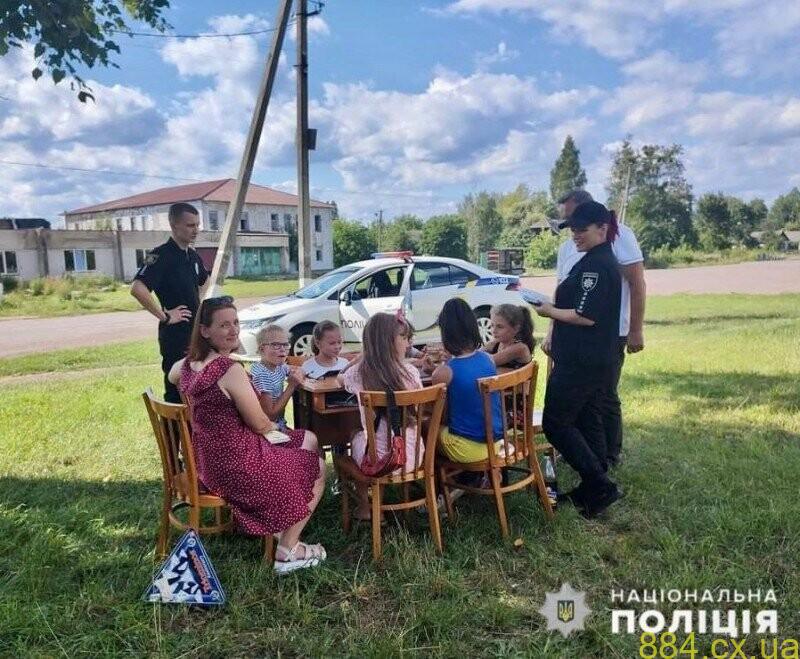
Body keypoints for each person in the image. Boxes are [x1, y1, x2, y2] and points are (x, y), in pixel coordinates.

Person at [167, 297, 326, 573]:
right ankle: (288, 550)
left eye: (236, 323)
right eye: (224, 325)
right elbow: (260, 424)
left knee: (303, 440)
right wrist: (275, 430)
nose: (233, 330)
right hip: (237, 464)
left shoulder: (189, 365)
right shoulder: (230, 371)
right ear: (205, 331)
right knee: (317, 466)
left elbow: (172, 375)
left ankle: (282, 517)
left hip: (210, 461)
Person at [544, 189, 646, 467]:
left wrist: (636, 330)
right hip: (571, 340)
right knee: (585, 406)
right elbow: (562, 290)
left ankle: (608, 457)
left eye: (576, 221)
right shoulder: (571, 247)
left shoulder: (619, 238)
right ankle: (590, 459)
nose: (571, 228)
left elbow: (636, 283)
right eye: (568, 223)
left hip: (605, 335)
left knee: (603, 396)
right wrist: (552, 331)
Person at [534, 200, 623, 518]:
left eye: (581, 230)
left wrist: (548, 310)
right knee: (586, 418)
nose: (575, 235)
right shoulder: (594, 260)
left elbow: (586, 316)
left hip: (582, 360)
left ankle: (600, 484)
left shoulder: (598, 266)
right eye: (572, 230)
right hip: (591, 358)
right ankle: (593, 486)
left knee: (555, 423)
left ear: (602, 228)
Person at [337, 312, 423, 520]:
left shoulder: (357, 373)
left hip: (379, 461)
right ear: (388, 343)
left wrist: (360, 357)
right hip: (413, 457)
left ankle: (366, 507)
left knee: (354, 437)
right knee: (367, 436)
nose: (407, 343)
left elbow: (340, 379)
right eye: (403, 338)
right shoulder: (410, 372)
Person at [131, 203, 209, 403]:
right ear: (173, 225)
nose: (196, 230)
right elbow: (138, 288)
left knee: (197, 389)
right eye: (190, 225)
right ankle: (175, 434)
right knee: (177, 389)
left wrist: (199, 307)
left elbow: (205, 282)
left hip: (195, 333)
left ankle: (193, 433)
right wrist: (165, 316)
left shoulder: (192, 255)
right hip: (175, 336)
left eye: (197, 225)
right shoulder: (159, 255)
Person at [431, 298, 507, 464]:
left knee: (427, 429)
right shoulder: (489, 359)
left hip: (467, 448)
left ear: (446, 333)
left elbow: (441, 414)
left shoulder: (444, 372)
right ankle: (475, 478)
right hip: (495, 443)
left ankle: (440, 485)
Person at [251, 325, 306, 431]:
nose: (282, 349)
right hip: (269, 429)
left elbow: (300, 370)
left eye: (285, 345)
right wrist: (291, 386)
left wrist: (297, 372)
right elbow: (270, 416)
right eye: (276, 345)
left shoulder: (278, 367)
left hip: (279, 425)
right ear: (262, 348)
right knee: (311, 437)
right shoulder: (262, 375)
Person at [484, 303, 535, 369]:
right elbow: (476, 353)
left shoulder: (519, 348)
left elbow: (487, 362)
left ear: (516, 329)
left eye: (500, 327)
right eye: (492, 325)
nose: (494, 331)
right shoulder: (496, 343)